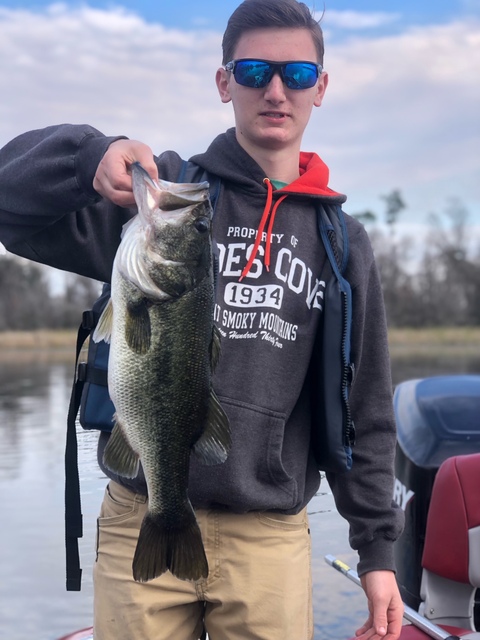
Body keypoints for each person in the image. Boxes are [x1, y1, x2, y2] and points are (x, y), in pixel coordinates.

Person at [0, 1, 405, 638]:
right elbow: (10, 205)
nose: (275, 90)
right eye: (253, 71)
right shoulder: (164, 200)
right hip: (141, 513)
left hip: (268, 536)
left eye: (296, 74)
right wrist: (90, 159)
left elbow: (368, 404)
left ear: (320, 88)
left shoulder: (340, 240)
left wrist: (378, 548)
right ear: (224, 83)